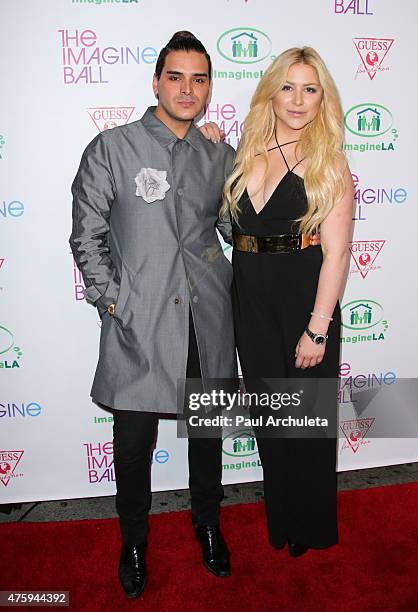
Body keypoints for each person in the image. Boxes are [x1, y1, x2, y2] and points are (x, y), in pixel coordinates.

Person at [70, 31, 237, 599]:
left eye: (199, 79)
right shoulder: (112, 148)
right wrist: (113, 301)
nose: (187, 89)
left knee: (208, 435)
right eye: (176, 77)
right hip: (139, 325)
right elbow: (86, 236)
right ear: (156, 82)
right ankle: (134, 540)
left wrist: (247, 164)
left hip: (207, 319)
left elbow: (235, 228)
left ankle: (208, 526)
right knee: (133, 442)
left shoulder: (218, 153)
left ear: (209, 88)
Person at [222, 47, 354, 555]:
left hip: (305, 300)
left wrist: (318, 327)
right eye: (288, 87)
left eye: (311, 89)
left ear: (323, 98)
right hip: (249, 298)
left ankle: (312, 528)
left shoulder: (329, 159)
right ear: (271, 92)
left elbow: (338, 251)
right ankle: (282, 520)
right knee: (272, 420)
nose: (298, 100)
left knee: (306, 425)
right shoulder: (244, 148)